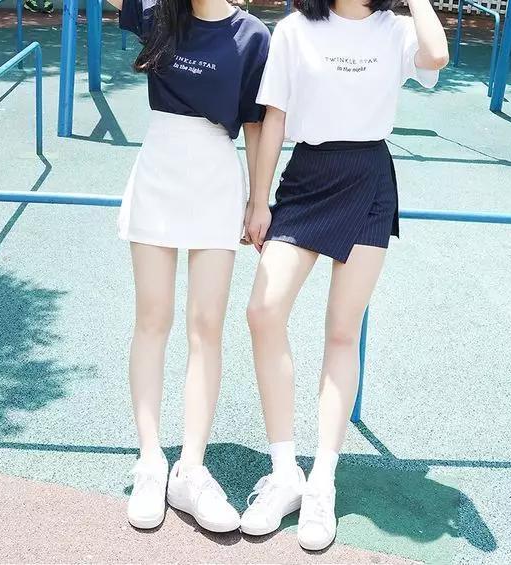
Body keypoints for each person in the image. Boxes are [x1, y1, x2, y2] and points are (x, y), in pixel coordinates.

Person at [240, 0, 448, 551]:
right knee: (263, 311)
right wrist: (258, 200)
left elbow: (437, 55)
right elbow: (274, 117)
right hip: (307, 175)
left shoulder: (397, 29)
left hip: (368, 176)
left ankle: (322, 482)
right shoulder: (294, 29)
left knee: (341, 331)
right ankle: (284, 472)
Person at [107, 0, 270, 532]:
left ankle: (191, 469)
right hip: (159, 168)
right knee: (152, 319)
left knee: (206, 327)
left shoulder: (251, 35)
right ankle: (151, 460)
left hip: (216, 176)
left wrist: (259, 200)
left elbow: (256, 125)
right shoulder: (160, 13)